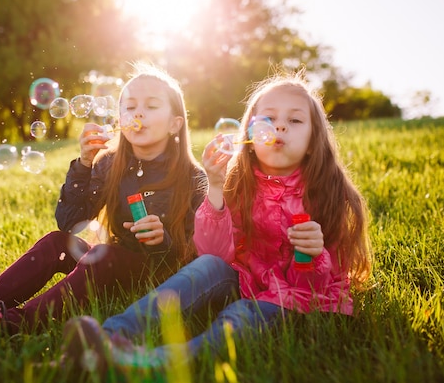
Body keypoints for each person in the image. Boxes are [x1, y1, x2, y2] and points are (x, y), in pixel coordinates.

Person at [59, 70, 373, 377]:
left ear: (313, 137)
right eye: (268, 119)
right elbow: (213, 253)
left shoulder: (328, 192)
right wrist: (215, 188)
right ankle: (108, 337)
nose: (279, 127)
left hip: (295, 298)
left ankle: (151, 363)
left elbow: (315, 289)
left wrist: (313, 254)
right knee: (206, 267)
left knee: (241, 315)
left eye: (294, 120)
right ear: (250, 133)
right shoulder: (239, 181)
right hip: (245, 279)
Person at [0, 62, 207, 341]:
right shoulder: (110, 164)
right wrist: (84, 164)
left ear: (175, 124)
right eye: (129, 106)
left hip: (157, 281)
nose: (138, 113)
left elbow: (201, 255)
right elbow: (71, 221)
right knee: (58, 242)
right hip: (111, 268)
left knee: (106, 255)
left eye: (151, 106)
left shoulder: (193, 177)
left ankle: (9, 324)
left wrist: (164, 240)